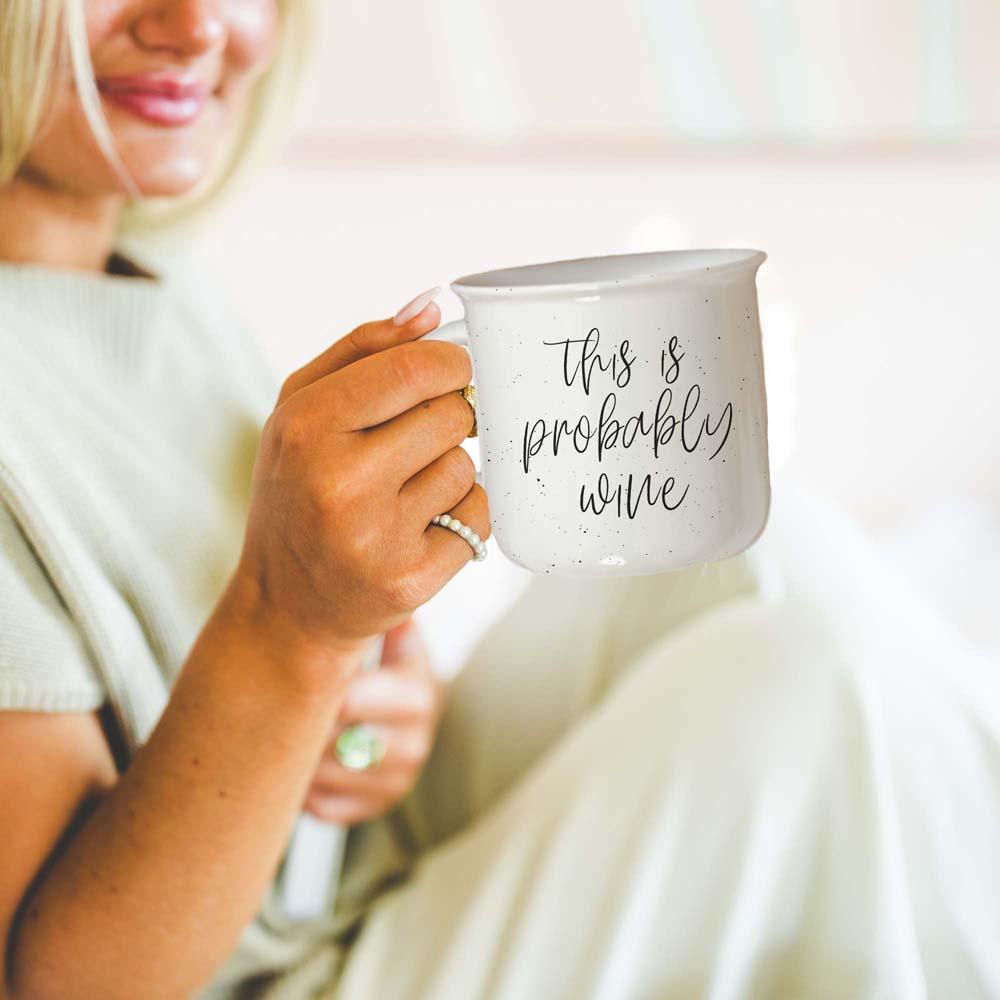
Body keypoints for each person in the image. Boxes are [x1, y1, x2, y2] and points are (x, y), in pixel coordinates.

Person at [3, 1, 999, 998]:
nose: (195, 26)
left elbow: (275, 695)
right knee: (808, 686)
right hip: (276, 973)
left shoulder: (164, 290)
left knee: (766, 546)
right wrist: (295, 633)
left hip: (344, 873)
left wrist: (373, 719)